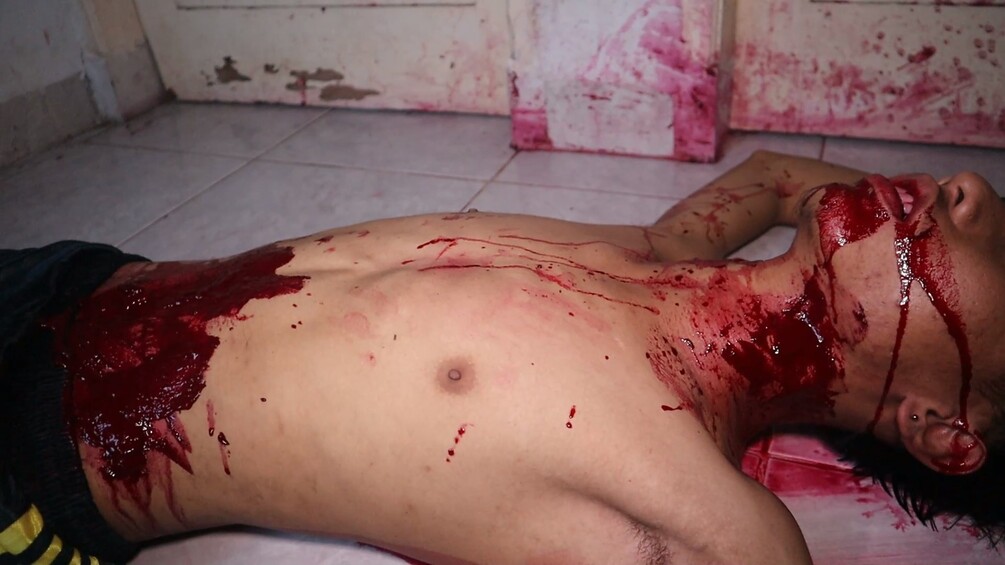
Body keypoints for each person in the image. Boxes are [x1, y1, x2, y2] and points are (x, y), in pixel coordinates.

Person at [1, 150, 1002, 565]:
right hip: (70, 278)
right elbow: (779, 176)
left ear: (947, 431)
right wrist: (889, 234)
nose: (969, 186)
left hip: (38, 467)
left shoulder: (713, 519)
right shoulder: (656, 250)